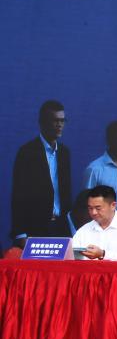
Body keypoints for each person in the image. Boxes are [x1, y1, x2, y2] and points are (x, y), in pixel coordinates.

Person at [10, 100, 72, 250]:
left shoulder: (64, 153)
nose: (60, 125)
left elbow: (66, 193)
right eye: (55, 121)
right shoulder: (27, 152)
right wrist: (20, 234)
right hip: (35, 228)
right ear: (43, 122)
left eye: (62, 120)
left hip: (61, 228)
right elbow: (18, 195)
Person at [71, 185, 117, 261]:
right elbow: (72, 256)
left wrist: (103, 254)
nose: (93, 212)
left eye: (98, 208)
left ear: (113, 206)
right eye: (90, 208)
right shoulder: (83, 230)